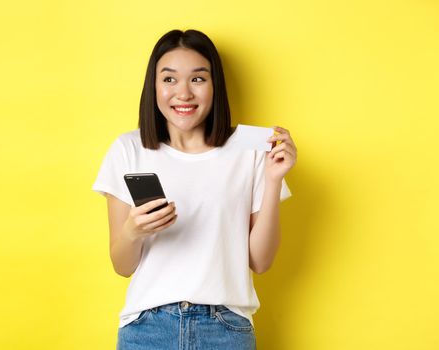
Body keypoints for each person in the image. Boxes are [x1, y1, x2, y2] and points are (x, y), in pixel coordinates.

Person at [93, 29, 297, 350]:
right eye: (170, 79)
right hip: (146, 329)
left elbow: (261, 261)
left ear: (215, 86)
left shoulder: (251, 150)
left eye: (198, 79)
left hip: (225, 328)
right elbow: (122, 266)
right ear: (154, 86)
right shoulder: (128, 149)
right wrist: (134, 230)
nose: (184, 93)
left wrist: (273, 180)